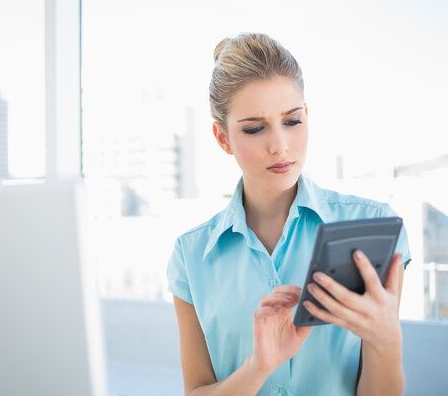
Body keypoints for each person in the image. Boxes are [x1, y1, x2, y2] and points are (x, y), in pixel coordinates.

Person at [167, 33, 411, 396]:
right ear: (223, 139)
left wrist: (387, 339)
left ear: (307, 116)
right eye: (254, 128)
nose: (280, 145)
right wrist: (259, 366)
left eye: (292, 121)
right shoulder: (191, 255)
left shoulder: (369, 226)